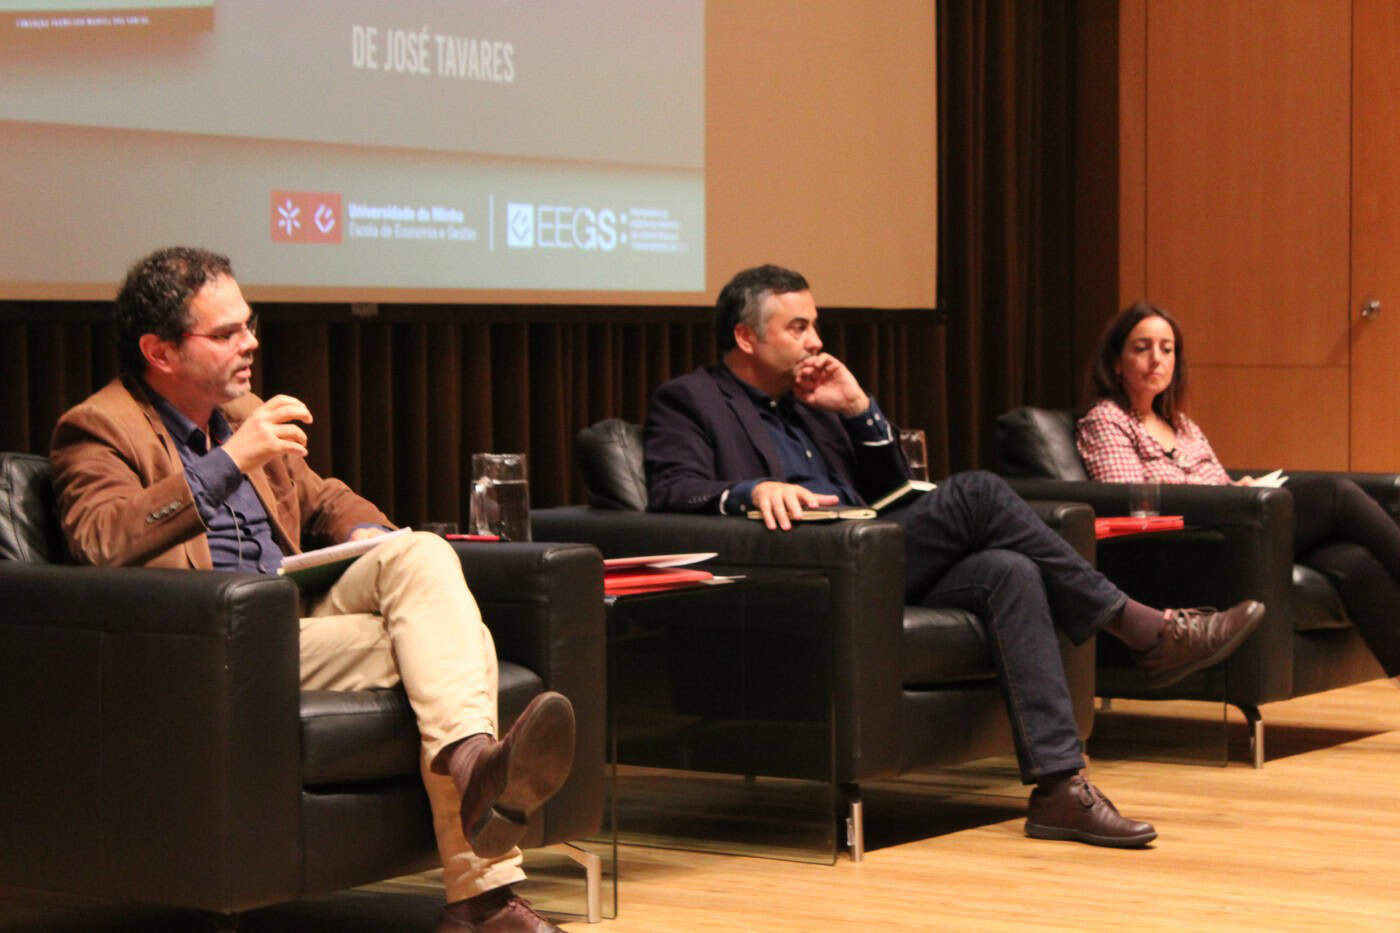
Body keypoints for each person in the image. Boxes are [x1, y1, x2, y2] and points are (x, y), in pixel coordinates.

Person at [645, 263, 1266, 849]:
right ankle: (1144, 629)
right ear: (746, 337)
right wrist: (750, 491)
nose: (817, 342)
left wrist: (858, 409)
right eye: (799, 327)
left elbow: (893, 490)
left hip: (873, 553)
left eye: (816, 325)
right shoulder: (692, 400)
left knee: (1008, 571)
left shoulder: (813, 401)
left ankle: (1059, 788)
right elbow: (672, 491)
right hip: (809, 568)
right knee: (978, 492)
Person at [50, 247, 573, 933]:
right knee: (459, 644)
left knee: (420, 552)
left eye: (250, 324)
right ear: (160, 351)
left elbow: (325, 498)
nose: (250, 342)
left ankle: (475, 773)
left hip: (299, 616)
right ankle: (482, 895)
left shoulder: (242, 412)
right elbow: (101, 539)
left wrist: (367, 535)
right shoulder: (99, 426)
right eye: (226, 332)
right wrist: (227, 462)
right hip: (218, 644)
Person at [1078, 300, 1400, 682]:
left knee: (1353, 562)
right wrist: (1223, 497)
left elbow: (1214, 481)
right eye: (1141, 348)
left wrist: (1235, 489)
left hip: (1232, 523)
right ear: (1117, 362)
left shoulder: (1181, 425)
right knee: (1336, 495)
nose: (1156, 359)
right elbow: (1129, 498)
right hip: (1191, 543)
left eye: (1167, 349)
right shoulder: (1106, 419)